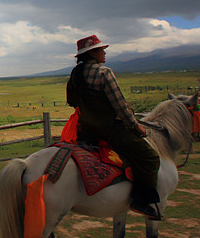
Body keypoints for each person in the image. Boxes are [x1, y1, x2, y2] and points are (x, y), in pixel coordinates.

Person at [65, 35, 163, 220]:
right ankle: (141, 201)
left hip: (86, 131)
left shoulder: (75, 74)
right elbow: (120, 106)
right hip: (111, 131)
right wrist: (135, 126)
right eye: (101, 50)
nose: (104, 52)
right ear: (92, 53)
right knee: (150, 157)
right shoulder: (104, 73)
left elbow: (71, 102)